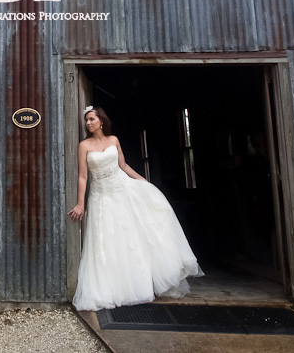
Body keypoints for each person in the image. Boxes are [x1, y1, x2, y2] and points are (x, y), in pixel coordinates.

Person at [68, 105, 203, 311]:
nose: (88, 123)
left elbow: (124, 166)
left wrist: (144, 183)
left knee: (131, 236)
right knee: (107, 241)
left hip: (123, 190)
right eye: (86, 120)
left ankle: (140, 285)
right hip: (101, 197)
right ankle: (111, 289)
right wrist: (80, 203)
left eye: (92, 119)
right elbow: (83, 176)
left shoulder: (113, 140)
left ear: (101, 121)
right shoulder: (84, 146)